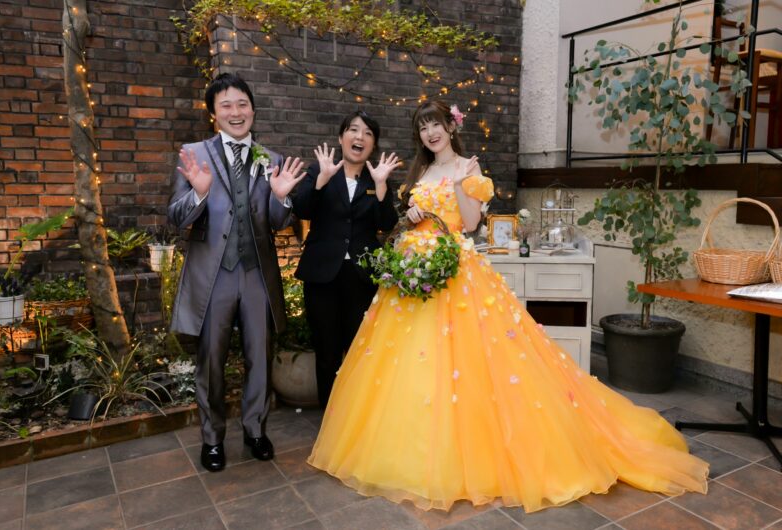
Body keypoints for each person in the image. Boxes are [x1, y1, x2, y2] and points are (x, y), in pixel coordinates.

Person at [307, 100, 708, 511]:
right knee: (408, 364)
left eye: (437, 124)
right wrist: (411, 214)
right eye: (423, 127)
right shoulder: (420, 171)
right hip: (414, 275)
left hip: (453, 271)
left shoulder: (469, 167)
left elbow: (469, 224)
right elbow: (410, 219)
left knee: (465, 362)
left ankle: (463, 454)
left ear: (451, 127)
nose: (431, 133)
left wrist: (462, 185)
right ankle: (407, 449)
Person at [168, 73, 305, 472]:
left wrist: (282, 199)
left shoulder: (271, 159)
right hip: (213, 275)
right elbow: (175, 217)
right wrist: (199, 192)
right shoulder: (194, 154)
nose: (235, 112)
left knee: (260, 356)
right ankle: (212, 439)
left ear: (253, 110)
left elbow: (278, 222)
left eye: (242, 104)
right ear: (213, 113)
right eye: (226, 105)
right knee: (211, 360)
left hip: (257, 273)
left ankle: (255, 430)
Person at [292, 111, 400, 407]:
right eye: (353, 130)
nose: (359, 137)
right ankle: (329, 418)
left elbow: (387, 223)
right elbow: (301, 209)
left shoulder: (376, 178)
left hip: (361, 277)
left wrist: (381, 186)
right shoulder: (320, 170)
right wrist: (321, 181)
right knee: (326, 351)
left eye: (368, 133)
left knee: (359, 349)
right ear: (341, 138)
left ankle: (354, 417)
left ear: (373, 145)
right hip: (322, 275)